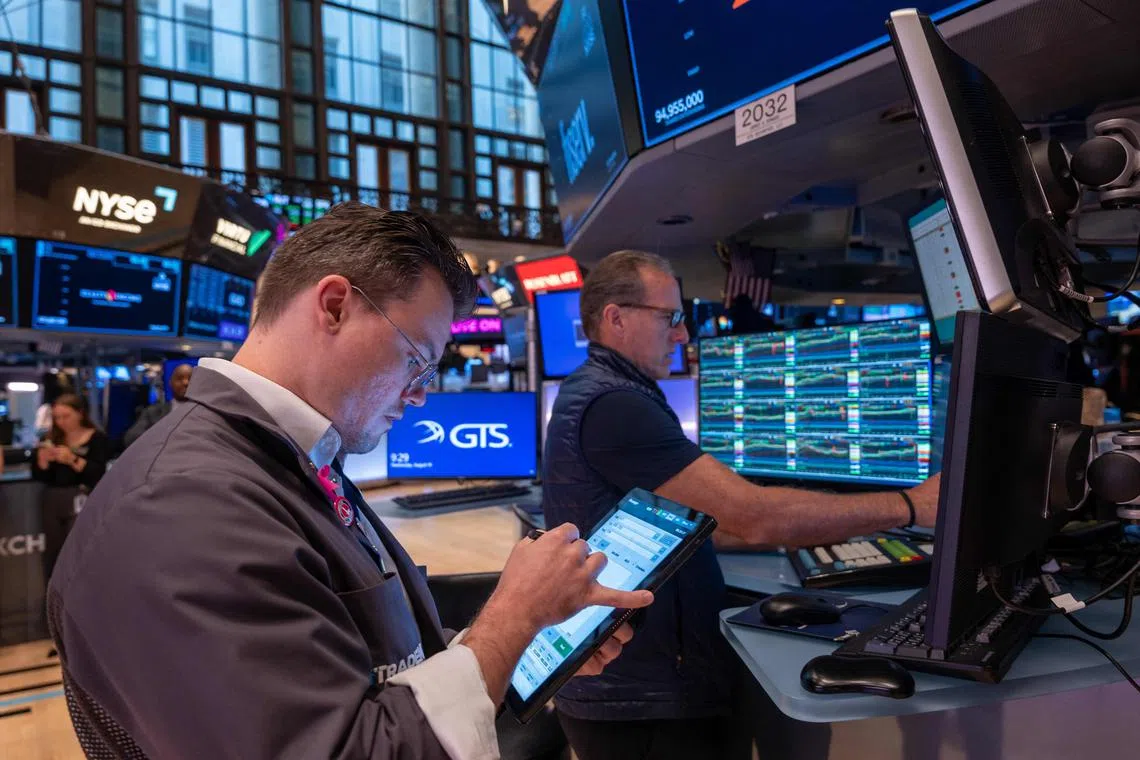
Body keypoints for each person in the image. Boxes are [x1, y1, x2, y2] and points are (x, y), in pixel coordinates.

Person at [47, 202, 653, 760]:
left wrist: (523, 643)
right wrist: (512, 619)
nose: (419, 397)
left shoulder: (287, 459)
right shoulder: (179, 506)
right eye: (418, 359)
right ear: (335, 304)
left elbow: (374, 663)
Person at [543, 250, 941, 760]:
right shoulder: (614, 404)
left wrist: (808, 529)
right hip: (641, 703)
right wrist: (911, 505)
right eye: (671, 318)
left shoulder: (605, 390)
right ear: (615, 318)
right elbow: (754, 515)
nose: (683, 335)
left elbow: (696, 523)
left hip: (639, 688)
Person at [32, 393, 112, 577]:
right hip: (53, 499)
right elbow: (39, 475)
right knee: (53, 551)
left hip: (82, 498)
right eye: (57, 417)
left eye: (66, 416)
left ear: (80, 413)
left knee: (80, 548)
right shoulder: (51, 438)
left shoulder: (97, 439)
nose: (61, 422)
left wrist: (73, 459)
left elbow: (98, 472)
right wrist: (43, 462)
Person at [122, 363, 193, 448]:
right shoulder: (153, 412)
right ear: (171, 383)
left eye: (190, 379)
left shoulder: (205, 412)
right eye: (180, 379)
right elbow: (131, 438)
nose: (185, 383)